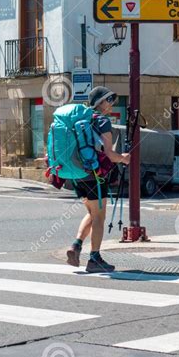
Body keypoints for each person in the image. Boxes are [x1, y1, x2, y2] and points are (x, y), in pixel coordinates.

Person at [66, 87, 130, 273]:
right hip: (95, 175)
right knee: (99, 218)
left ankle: (76, 246)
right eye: (108, 100)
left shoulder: (80, 119)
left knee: (93, 212)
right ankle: (94, 258)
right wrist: (124, 158)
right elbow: (110, 154)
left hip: (77, 175)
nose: (111, 104)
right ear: (99, 103)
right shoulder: (102, 122)